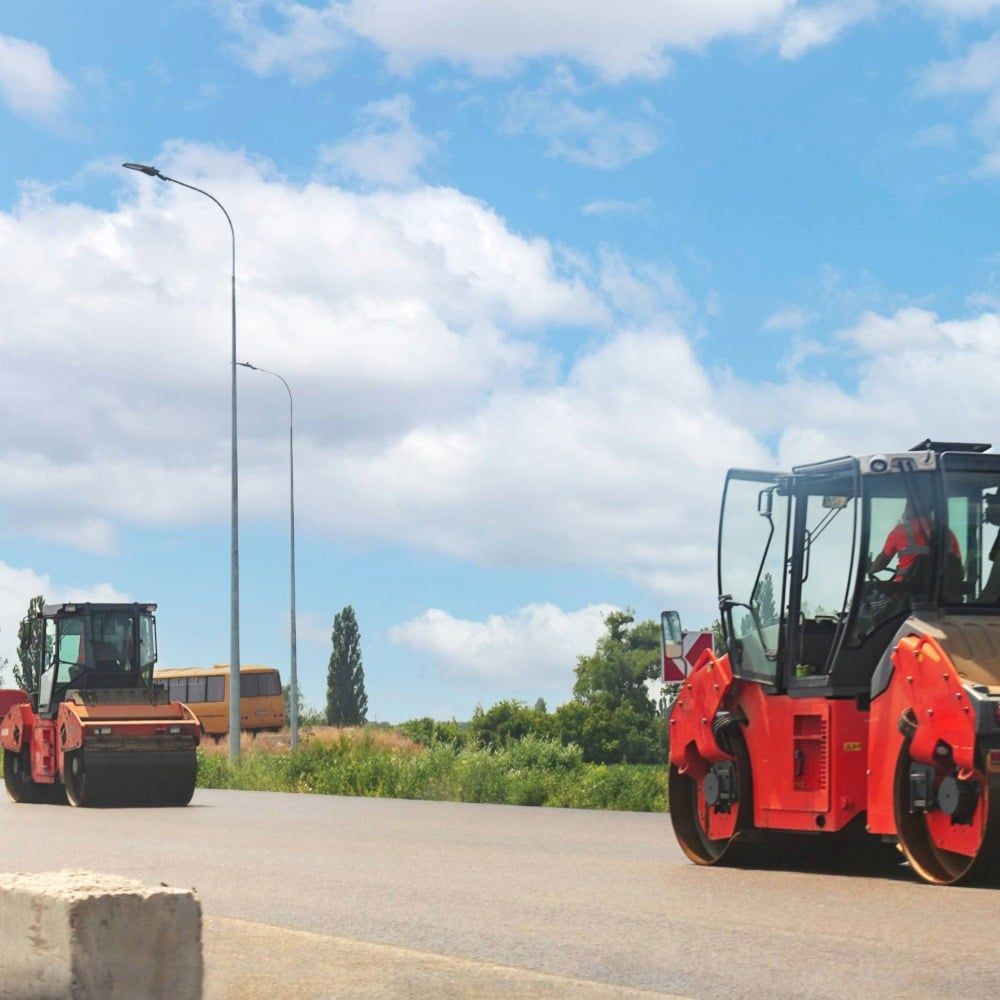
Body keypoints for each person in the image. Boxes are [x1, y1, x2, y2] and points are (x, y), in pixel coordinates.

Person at [868, 499, 961, 584]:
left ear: (909, 508)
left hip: (905, 594)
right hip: (943, 596)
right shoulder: (947, 533)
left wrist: (868, 568)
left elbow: (881, 563)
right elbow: (959, 570)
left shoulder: (899, 531)